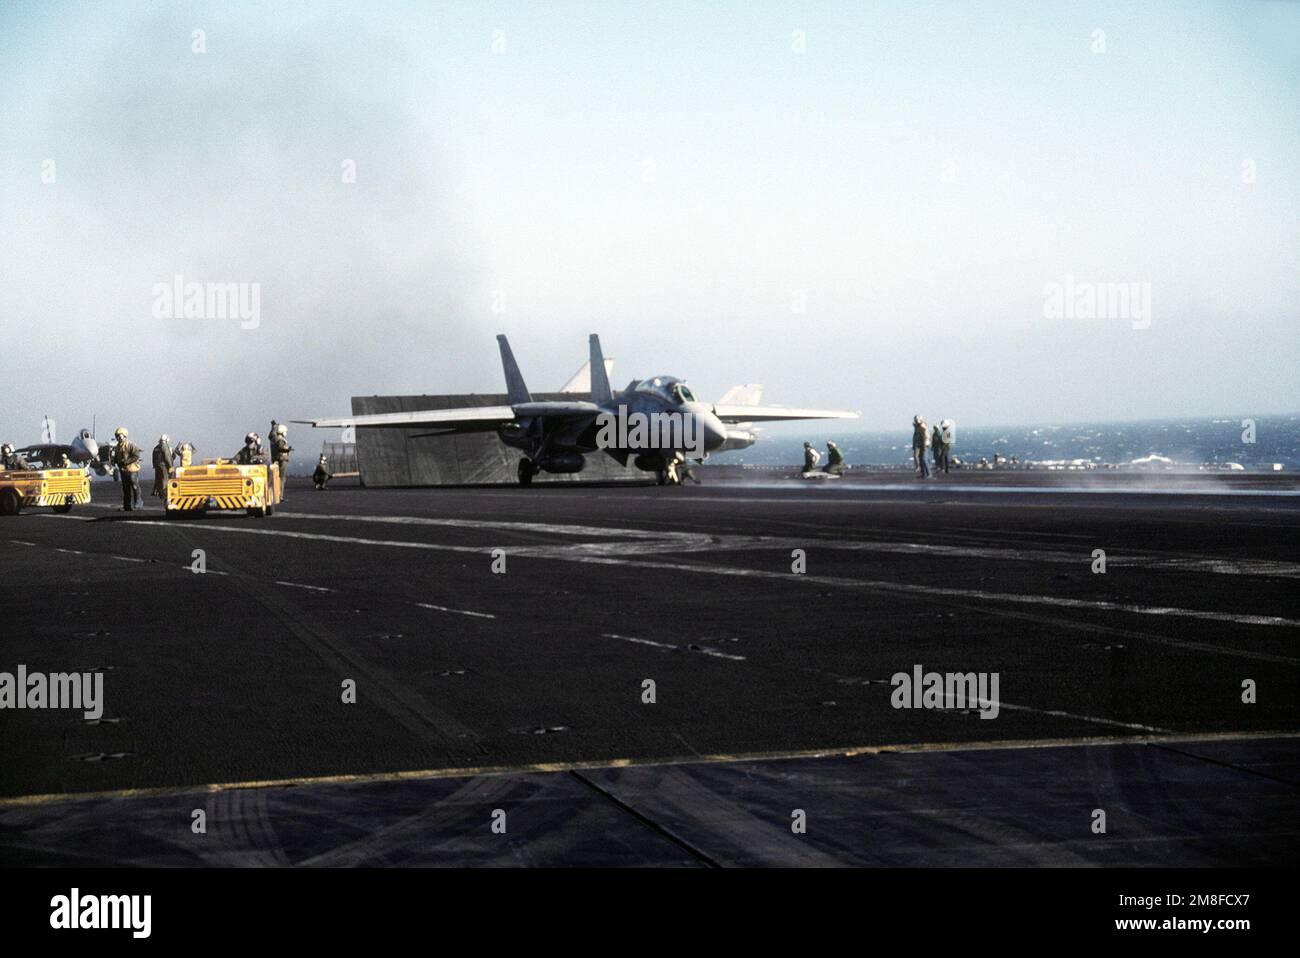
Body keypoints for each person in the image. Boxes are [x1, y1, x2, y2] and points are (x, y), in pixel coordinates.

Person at [111, 427, 143, 510]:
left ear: (124, 436)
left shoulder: (130, 445)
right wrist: (114, 461)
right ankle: (127, 506)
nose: (118, 437)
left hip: (132, 469)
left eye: (119, 436)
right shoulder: (118, 446)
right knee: (126, 488)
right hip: (123, 470)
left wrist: (126, 461)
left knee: (135, 486)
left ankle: (138, 503)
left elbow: (136, 456)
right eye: (117, 436)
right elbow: (117, 456)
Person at [269, 423, 293, 489]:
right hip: (282, 459)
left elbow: (271, 435)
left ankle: (274, 491)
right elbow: (280, 448)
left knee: (274, 476)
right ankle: (280, 494)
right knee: (282, 477)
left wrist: (273, 427)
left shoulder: (273, 438)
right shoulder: (281, 440)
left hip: (274, 458)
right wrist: (288, 450)